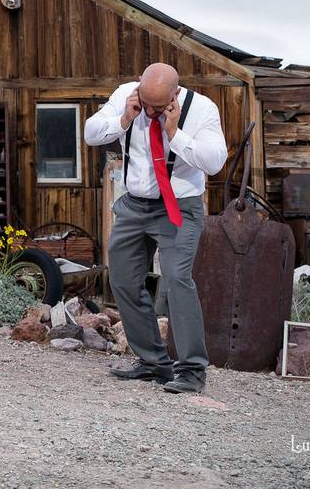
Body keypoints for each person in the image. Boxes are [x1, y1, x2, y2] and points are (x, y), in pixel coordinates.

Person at [84, 63, 227, 393]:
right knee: (121, 278)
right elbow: (91, 133)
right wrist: (124, 119)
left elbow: (214, 161)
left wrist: (175, 133)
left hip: (177, 206)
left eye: (157, 107)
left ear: (175, 94)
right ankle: (153, 362)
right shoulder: (126, 95)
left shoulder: (202, 108)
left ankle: (192, 370)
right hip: (134, 204)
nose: (149, 111)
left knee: (177, 279)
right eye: (145, 104)